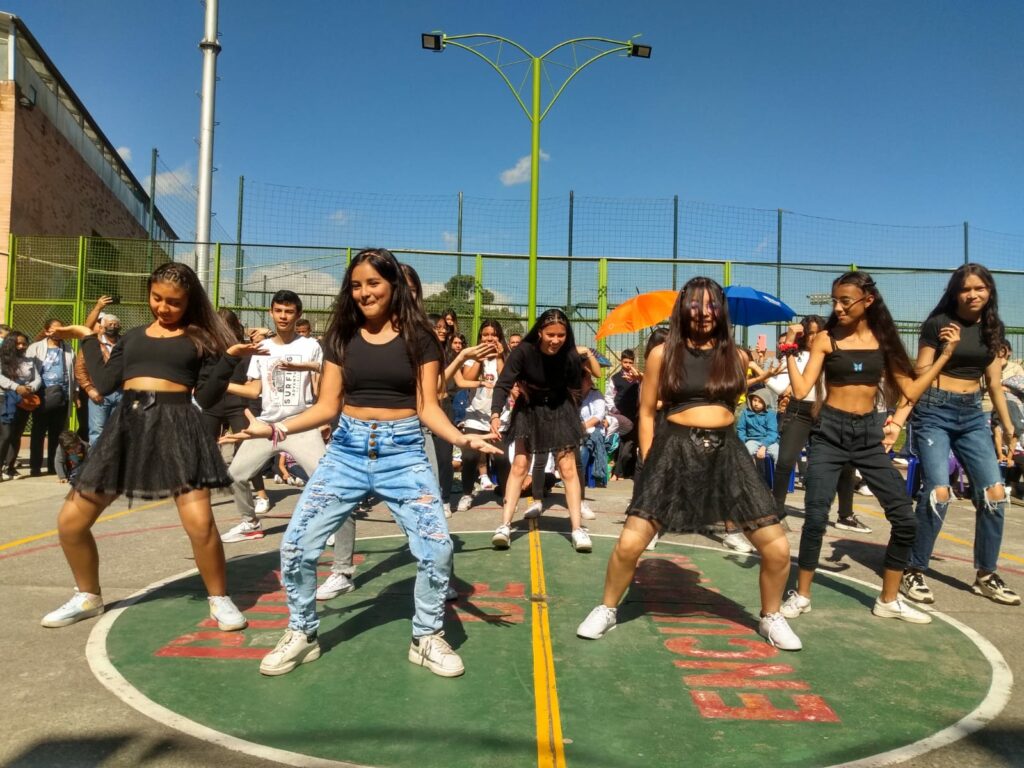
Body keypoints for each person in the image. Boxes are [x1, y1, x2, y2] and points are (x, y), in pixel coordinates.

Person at [222, 248, 501, 677]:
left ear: (393, 286)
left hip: (403, 452)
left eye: (373, 283)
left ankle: (426, 636)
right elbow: (327, 405)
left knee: (437, 547)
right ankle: (302, 633)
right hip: (347, 451)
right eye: (356, 285)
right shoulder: (341, 335)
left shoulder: (420, 338)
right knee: (295, 546)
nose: (364, 292)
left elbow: (428, 406)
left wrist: (461, 438)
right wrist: (274, 429)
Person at [576, 278, 801, 651]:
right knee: (629, 544)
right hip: (673, 449)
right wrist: (650, 458)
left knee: (776, 548)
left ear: (721, 310)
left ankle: (771, 616)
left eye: (711, 304)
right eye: (695, 304)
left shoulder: (738, 357)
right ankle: (608, 608)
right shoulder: (662, 354)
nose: (703, 312)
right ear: (683, 309)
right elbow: (646, 413)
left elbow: (734, 404)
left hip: (727, 453)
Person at [40, 262, 260, 630]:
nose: (163, 307)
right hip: (126, 428)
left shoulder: (201, 339)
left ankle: (219, 598)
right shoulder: (132, 337)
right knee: (70, 522)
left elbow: (207, 397)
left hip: (179, 428)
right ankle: (88, 595)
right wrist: (88, 337)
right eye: (157, 298)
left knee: (201, 525)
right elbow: (105, 383)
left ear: (189, 302)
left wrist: (229, 360)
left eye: (174, 302)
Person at [780, 270, 962, 625]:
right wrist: (788, 350)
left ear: (868, 301)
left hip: (868, 436)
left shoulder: (884, 341)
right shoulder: (826, 339)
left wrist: (945, 355)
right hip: (829, 433)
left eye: (845, 301)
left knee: (905, 519)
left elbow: (911, 391)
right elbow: (801, 390)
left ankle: (888, 600)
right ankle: (801, 595)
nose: (838, 307)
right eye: (835, 301)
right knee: (815, 518)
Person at [218, 291, 358, 599]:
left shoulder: (310, 346)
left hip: (302, 425)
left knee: (333, 488)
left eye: (289, 311)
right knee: (235, 475)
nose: (283, 316)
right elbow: (253, 389)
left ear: (298, 315)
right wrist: (219, 384)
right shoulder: (262, 348)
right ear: (271, 312)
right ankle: (250, 523)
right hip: (267, 426)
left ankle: (343, 568)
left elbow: (323, 384)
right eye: (279, 310)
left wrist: (322, 417)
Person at [897, 264, 1020, 606]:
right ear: (955, 293)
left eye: (980, 288)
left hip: (972, 414)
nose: (973, 294)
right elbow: (920, 372)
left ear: (989, 291)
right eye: (966, 289)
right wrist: (947, 349)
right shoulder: (938, 324)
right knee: (939, 491)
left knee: (995, 493)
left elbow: (993, 382)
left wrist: (1008, 427)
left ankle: (986, 574)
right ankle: (913, 568)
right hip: (934, 409)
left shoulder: (993, 328)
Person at [488, 308, 603, 553]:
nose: (556, 340)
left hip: (561, 410)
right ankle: (504, 526)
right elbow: (503, 384)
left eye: (561, 335)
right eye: (551, 334)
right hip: (529, 410)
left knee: (568, 467)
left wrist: (569, 414)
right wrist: (495, 414)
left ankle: (577, 529)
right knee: (520, 464)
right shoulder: (523, 352)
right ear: (540, 332)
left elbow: (576, 389)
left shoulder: (570, 356)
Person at [765, 316, 866, 532]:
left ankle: (845, 515)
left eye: (817, 333)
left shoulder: (833, 354)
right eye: (809, 333)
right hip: (799, 412)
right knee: (785, 461)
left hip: (829, 412)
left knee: (846, 463)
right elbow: (779, 383)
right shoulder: (796, 355)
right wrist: (789, 340)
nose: (813, 337)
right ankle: (776, 511)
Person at [455, 320, 507, 513]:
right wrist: (479, 357)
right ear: (480, 337)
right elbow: (467, 379)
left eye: (493, 334)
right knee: (469, 456)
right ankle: (467, 493)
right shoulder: (471, 357)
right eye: (485, 334)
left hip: (499, 416)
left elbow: (507, 380)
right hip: (475, 415)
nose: (489, 338)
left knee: (501, 458)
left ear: (499, 337)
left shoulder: (505, 356)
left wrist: (499, 356)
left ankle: (507, 494)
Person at [27, 319, 77, 476]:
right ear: (47, 331)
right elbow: (27, 371)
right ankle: (35, 466)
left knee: (57, 433)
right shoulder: (35, 348)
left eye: (61, 329)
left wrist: (75, 394)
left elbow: (74, 374)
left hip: (62, 396)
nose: (58, 332)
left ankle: (53, 466)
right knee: (38, 432)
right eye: (55, 329)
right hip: (41, 395)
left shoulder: (68, 349)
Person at [76, 313, 123, 447]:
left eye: (115, 325)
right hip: (99, 393)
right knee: (97, 431)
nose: (113, 327)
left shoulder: (125, 344)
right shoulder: (93, 344)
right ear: (101, 328)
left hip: (121, 392)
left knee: (117, 430)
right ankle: (96, 460)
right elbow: (80, 369)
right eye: (109, 324)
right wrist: (89, 389)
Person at [0, 330, 40, 479]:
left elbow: (37, 378)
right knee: (5, 434)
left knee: (16, 434)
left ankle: (10, 468)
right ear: (10, 344)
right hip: (4, 399)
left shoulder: (28, 360)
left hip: (23, 400)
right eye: (18, 344)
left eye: (24, 343)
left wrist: (30, 388)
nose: (22, 346)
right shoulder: (2, 359)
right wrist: (16, 387)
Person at [737, 386, 779, 463]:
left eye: (760, 402)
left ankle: (778, 471)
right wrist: (742, 442)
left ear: (765, 402)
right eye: (755, 400)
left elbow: (772, 432)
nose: (756, 404)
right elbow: (741, 429)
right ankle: (749, 470)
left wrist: (764, 446)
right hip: (752, 440)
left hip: (769, 441)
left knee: (777, 454)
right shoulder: (745, 413)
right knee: (744, 454)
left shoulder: (770, 414)